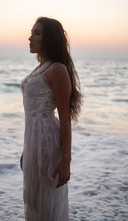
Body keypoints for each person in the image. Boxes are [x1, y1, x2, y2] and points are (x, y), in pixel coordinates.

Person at [20, 17, 82, 221]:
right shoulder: (39, 69)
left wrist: (66, 160)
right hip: (33, 143)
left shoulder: (57, 69)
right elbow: (31, 115)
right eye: (31, 32)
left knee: (47, 202)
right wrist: (26, 150)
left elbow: (64, 117)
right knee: (34, 200)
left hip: (48, 144)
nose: (30, 38)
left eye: (37, 33)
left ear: (50, 39)